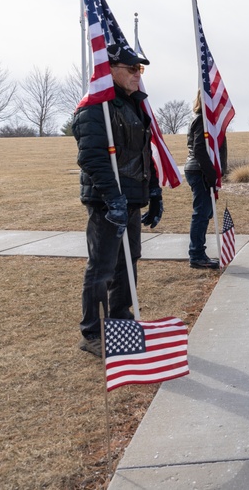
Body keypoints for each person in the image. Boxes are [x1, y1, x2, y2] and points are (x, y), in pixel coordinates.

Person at [72, 43, 162, 357]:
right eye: (132, 69)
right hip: (106, 202)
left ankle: (121, 321)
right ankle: (94, 333)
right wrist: (113, 199)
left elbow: (143, 152)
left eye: (141, 69)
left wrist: (153, 189)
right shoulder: (94, 107)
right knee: (102, 268)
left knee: (128, 261)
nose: (139, 75)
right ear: (111, 69)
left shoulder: (132, 104)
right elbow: (92, 158)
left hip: (131, 198)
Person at [183, 93, 226, 269]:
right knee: (201, 214)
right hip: (199, 170)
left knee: (205, 213)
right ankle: (197, 255)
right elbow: (200, 150)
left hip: (200, 170)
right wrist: (211, 174)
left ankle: (198, 252)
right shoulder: (203, 120)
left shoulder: (206, 120)